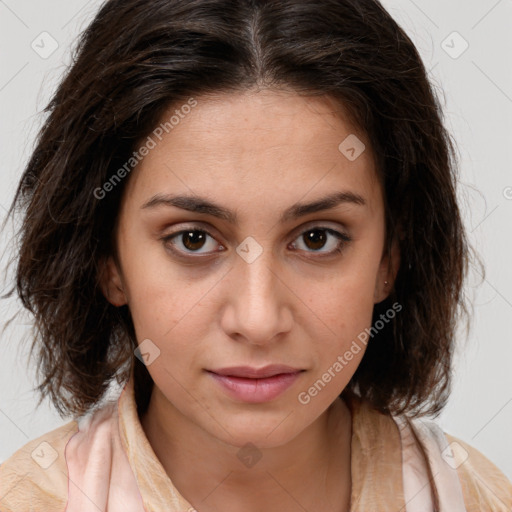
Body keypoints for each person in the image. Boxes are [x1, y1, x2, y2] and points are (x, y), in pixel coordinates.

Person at [0, 0, 510, 511]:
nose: (259, 319)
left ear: (390, 259)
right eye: (193, 239)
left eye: (317, 239)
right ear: (108, 261)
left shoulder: (470, 498)